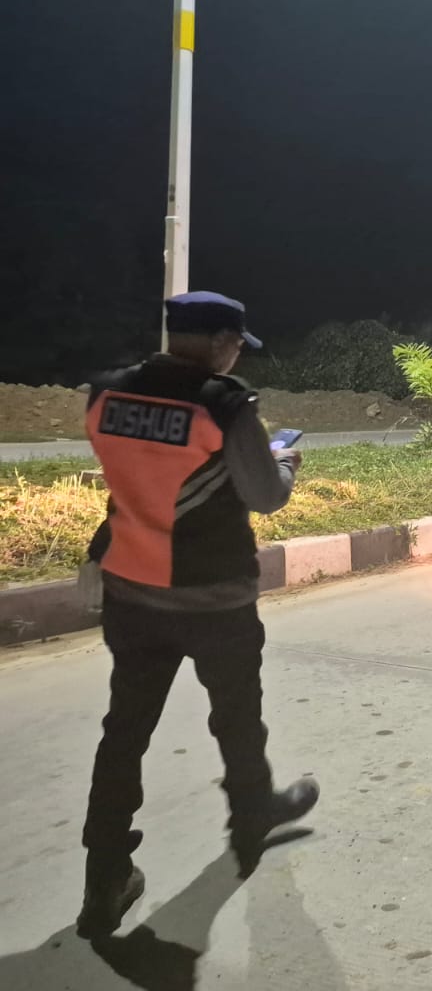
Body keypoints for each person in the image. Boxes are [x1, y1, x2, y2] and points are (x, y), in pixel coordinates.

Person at [76, 292, 320, 939]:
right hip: (214, 598)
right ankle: (252, 816)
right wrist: (284, 464)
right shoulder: (224, 404)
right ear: (219, 343)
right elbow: (264, 496)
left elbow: (132, 478)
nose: (237, 354)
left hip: (131, 594)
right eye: (236, 343)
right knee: (236, 715)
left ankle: (104, 876)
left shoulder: (106, 394)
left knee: (124, 732)